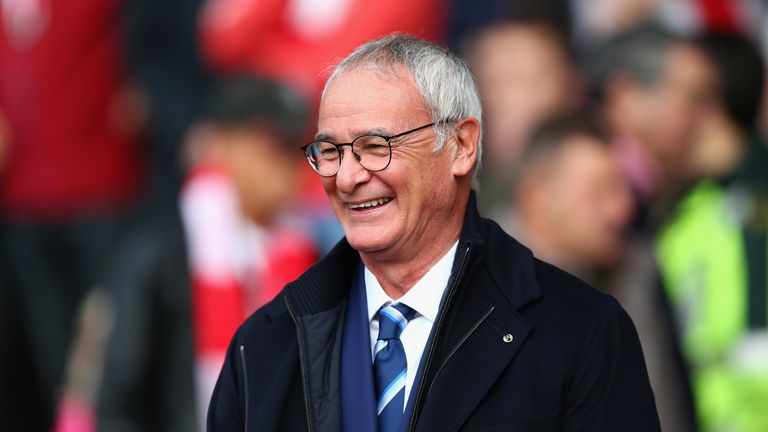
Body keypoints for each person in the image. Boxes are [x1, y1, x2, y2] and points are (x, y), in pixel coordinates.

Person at [207, 34, 660, 431]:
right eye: (330, 151)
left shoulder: (581, 331)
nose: (346, 178)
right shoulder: (263, 346)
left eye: (374, 147)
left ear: (461, 146)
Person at [656, 32, 768, 432]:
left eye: (670, 91)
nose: (657, 110)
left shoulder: (753, 202)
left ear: (706, 106)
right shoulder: (682, 207)